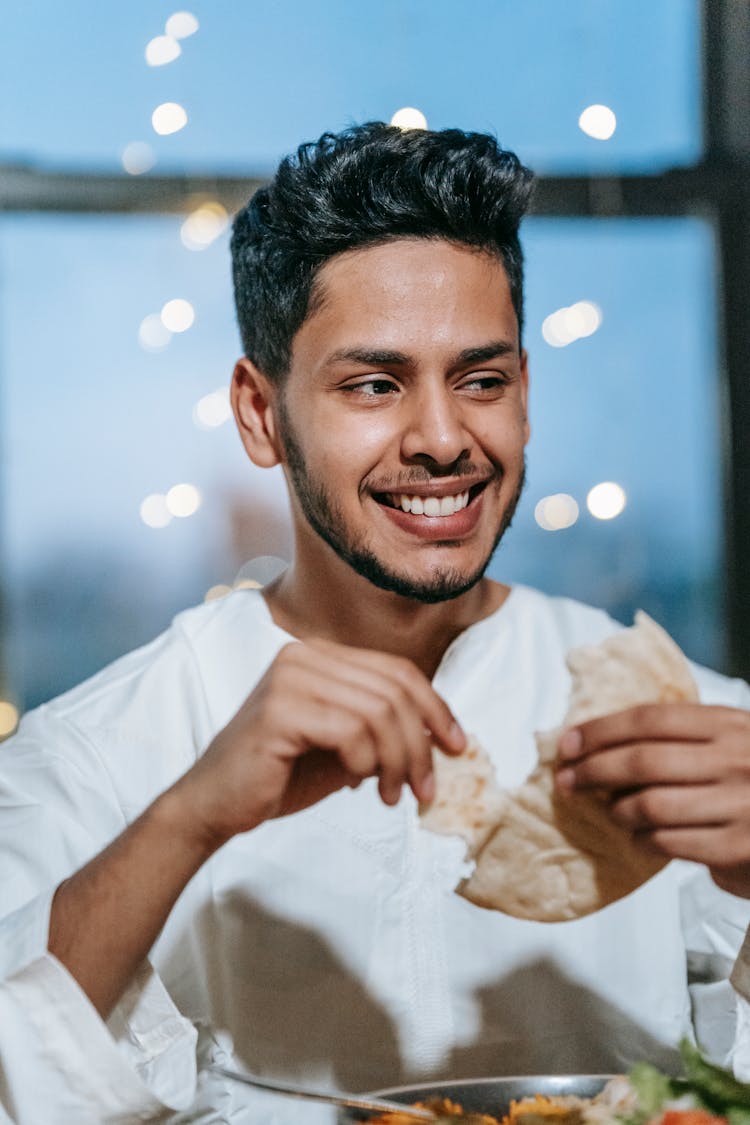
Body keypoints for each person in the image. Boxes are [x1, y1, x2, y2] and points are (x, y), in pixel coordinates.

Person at [1, 122, 750, 1124]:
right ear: (261, 416)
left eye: (480, 380)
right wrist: (192, 817)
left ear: (525, 393)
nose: (443, 439)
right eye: (374, 385)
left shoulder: (702, 729)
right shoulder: (94, 755)